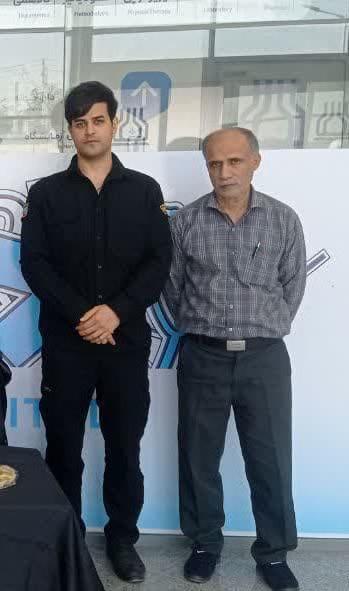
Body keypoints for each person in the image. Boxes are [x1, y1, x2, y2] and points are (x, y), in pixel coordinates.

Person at [19, 81, 172, 583]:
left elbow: (158, 262)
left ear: (115, 124)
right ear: (70, 130)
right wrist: (86, 316)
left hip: (125, 345)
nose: (89, 131)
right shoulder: (46, 194)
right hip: (67, 344)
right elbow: (35, 264)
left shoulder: (145, 191)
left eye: (98, 120)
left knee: (124, 448)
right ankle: (67, 542)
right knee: (63, 447)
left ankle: (122, 539)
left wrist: (116, 313)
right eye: (80, 123)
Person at [164, 127, 305, 591]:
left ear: (255, 162)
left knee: (271, 458)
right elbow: (172, 289)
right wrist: (201, 327)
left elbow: (292, 288)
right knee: (198, 456)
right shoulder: (186, 223)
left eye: (234, 161)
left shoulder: (283, 220)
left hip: (264, 358)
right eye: (214, 163)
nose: (224, 172)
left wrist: (259, 327)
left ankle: (274, 552)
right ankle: (205, 544)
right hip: (202, 355)